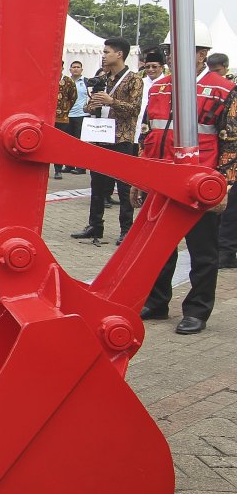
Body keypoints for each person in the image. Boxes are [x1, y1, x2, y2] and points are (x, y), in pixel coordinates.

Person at [137, 20, 236, 334]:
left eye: (182, 49)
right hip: (161, 181)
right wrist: (141, 178)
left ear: (202, 54)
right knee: (159, 249)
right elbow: (147, 134)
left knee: (203, 252)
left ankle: (196, 311)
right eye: (170, 49)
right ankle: (156, 303)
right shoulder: (160, 86)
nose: (172, 55)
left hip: (200, 185)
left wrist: (224, 185)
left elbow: (232, 142)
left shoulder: (224, 89)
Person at [71, 39, 142, 245]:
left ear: (119, 54)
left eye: (107, 52)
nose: (103, 55)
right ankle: (95, 225)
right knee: (97, 184)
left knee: (124, 187)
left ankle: (126, 229)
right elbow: (87, 107)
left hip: (121, 138)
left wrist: (112, 102)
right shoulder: (101, 78)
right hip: (100, 136)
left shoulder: (133, 80)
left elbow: (134, 109)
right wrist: (91, 104)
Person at [53, 66, 77, 178]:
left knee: (59, 145)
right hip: (47, 118)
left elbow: (73, 97)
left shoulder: (68, 81)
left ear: (62, 68)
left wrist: (65, 110)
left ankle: (58, 170)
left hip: (62, 119)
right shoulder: (48, 79)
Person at [65, 60, 89, 173]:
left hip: (81, 115)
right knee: (69, 142)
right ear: (70, 69)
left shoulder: (86, 82)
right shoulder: (66, 81)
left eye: (78, 67)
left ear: (81, 69)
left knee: (80, 142)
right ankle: (69, 165)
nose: (75, 69)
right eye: (73, 67)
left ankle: (81, 167)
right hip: (68, 115)